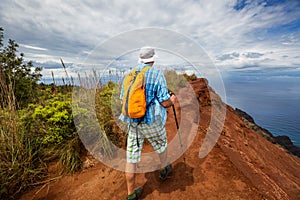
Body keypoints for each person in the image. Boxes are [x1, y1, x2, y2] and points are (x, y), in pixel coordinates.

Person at [119, 46, 177, 200]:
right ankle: (165, 170)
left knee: (131, 158)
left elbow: (122, 100)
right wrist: (172, 100)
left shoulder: (130, 75)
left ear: (140, 59)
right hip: (151, 121)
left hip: (133, 122)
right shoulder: (156, 73)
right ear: (153, 59)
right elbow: (164, 102)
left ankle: (130, 194)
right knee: (161, 145)